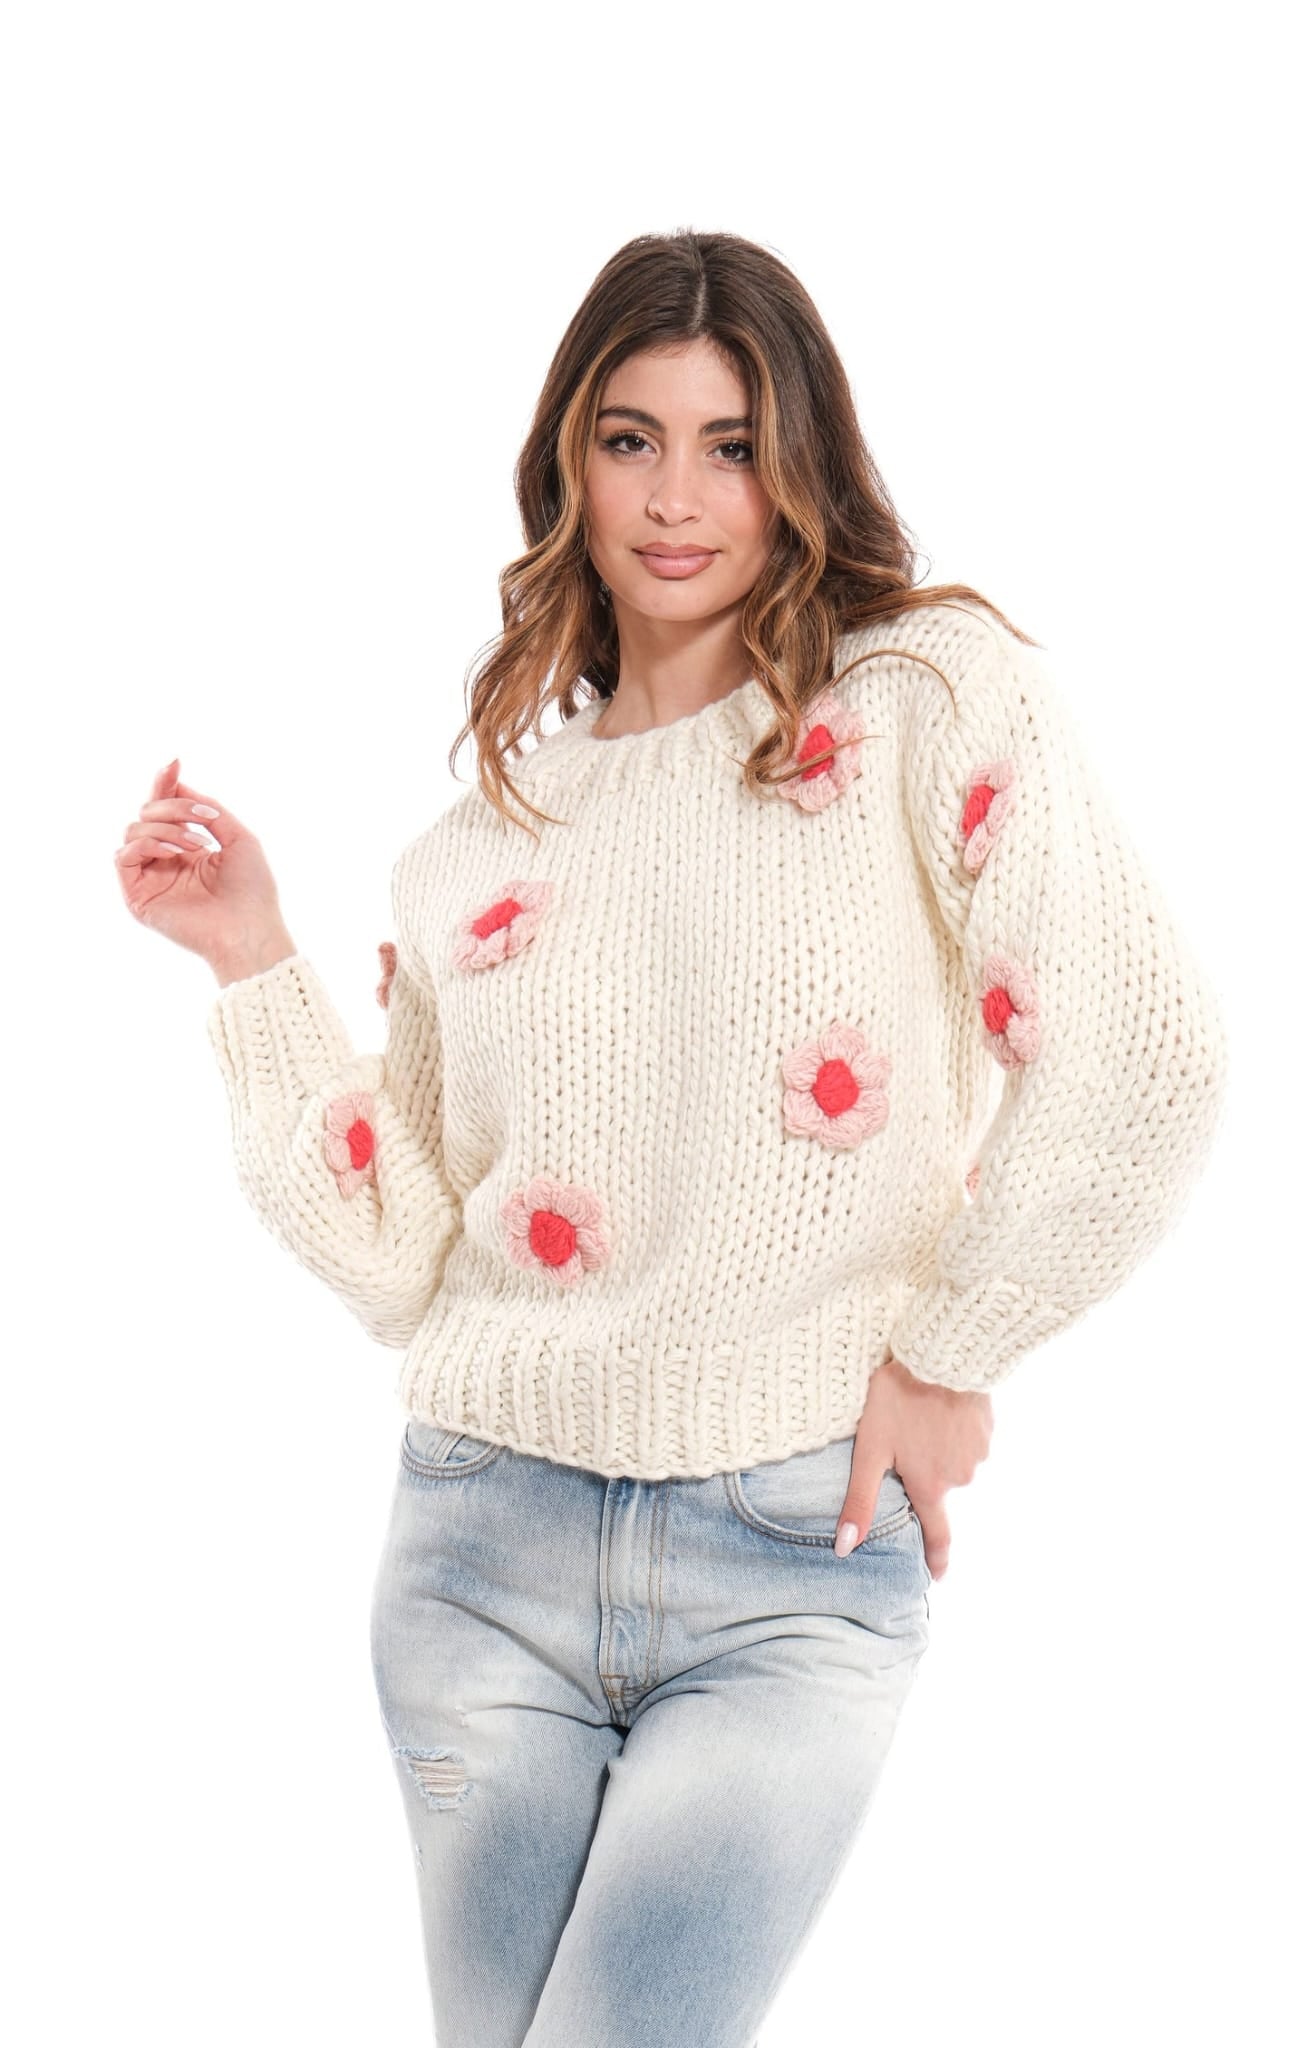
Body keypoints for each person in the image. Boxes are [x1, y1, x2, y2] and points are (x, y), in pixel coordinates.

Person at [114, 229, 1230, 2048]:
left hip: (787, 1557)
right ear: (568, 458)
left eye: (732, 445)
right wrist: (252, 962)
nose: (675, 498)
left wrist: (952, 1353)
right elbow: (403, 1262)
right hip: (477, 1552)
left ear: (801, 467)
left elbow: (1139, 1056)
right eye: (629, 439)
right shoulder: (481, 845)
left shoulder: (920, 697)